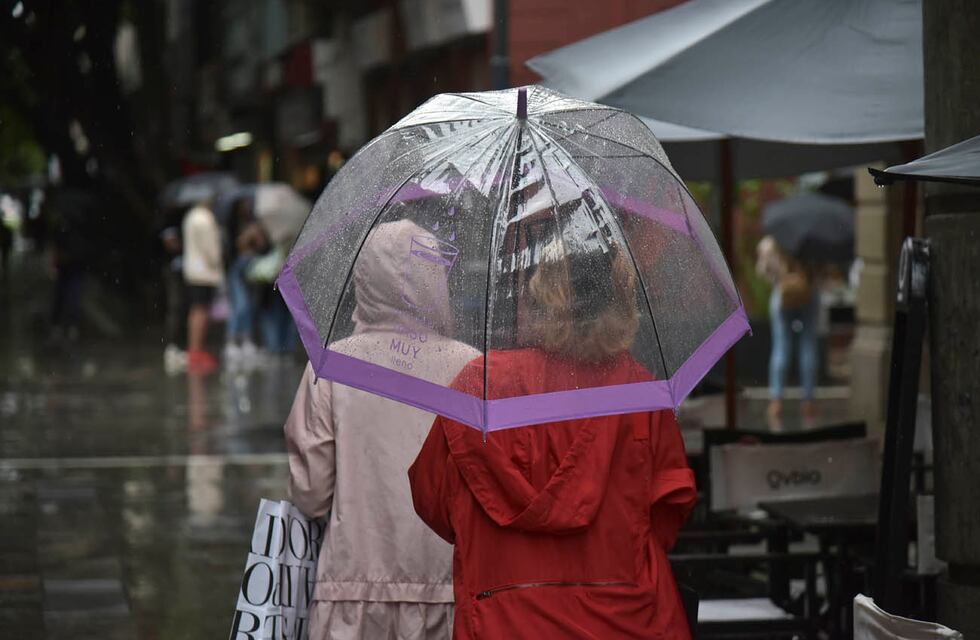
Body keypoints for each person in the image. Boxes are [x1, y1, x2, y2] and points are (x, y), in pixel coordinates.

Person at [408, 240, 697, 639]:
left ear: (541, 295)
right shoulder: (640, 391)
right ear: (619, 300)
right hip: (627, 615)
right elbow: (670, 507)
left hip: (501, 618)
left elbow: (433, 498)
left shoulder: (479, 385)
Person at [284, 220, 479, 639]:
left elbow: (311, 492)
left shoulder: (333, 367)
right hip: (448, 591)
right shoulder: (471, 367)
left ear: (364, 280)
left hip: (352, 594)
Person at [756, 235, 819, 427]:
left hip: (783, 292)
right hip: (808, 292)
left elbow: (762, 270)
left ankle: (776, 400)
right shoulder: (814, 242)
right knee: (808, 344)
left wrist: (779, 276)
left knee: (781, 345)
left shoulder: (775, 240)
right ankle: (808, 400)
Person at [182, 199, 224, 374]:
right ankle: (197, 350)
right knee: (202, 311)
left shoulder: (191, 216)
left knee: (196, 310)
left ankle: (194, 349)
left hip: (193, 270)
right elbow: (212, 251)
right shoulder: (206, 219)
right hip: (205, 272)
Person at [223, 195, 259, 367]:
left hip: (252, 268)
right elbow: (234, 248)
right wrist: (245, 239)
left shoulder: (253, 222)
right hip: (237, 269)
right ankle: (231, 341)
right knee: (240, 304)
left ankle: (246, 339)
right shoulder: (232, 226)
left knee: (250, 305)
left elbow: (260, 245)